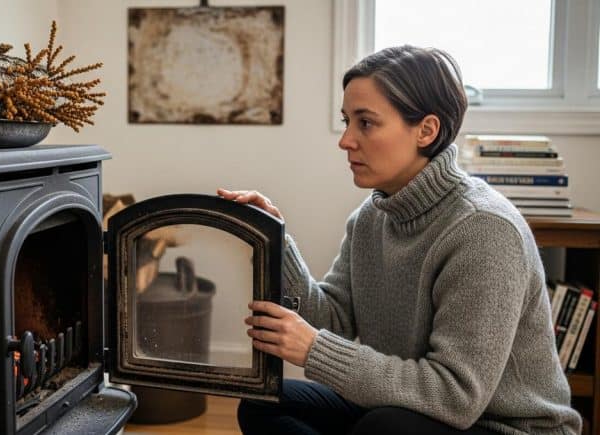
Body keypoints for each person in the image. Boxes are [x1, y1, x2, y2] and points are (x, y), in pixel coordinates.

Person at [217, 45, 582, 435]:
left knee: (383, 428)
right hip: (408, 408)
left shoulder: (485, 230)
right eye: (346, 121)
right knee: (263, 403)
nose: (346, 140)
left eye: (366, 123)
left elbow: (455, 396)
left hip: (504, 427)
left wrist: (313, 349)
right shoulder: (371, 218)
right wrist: (277, 240)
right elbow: (333, 323)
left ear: (426, 130)